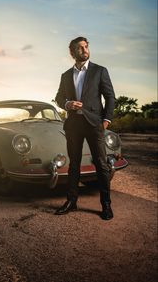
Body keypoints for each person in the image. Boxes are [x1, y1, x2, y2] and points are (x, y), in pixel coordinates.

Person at [55, 36, 115, 220]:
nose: (84, 50)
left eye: (86, 46)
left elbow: (110, 97)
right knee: (74, 164)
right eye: (80, 48)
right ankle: (72, 201)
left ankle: (106, 205)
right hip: (73, 125)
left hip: (94, 124)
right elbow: (58, 98)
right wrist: (67, 104)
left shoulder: (99, 71)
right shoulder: (66, 75)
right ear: (72, 53)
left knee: (101, 164)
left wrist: (105, 121)